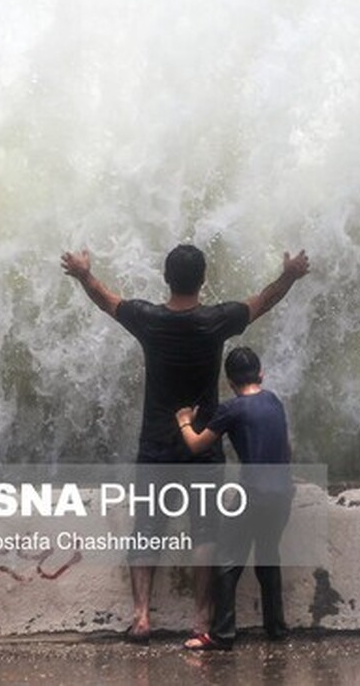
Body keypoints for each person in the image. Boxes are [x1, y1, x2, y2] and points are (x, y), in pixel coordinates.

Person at [60, 244, 309, 645]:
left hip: (157, 443)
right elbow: (264, 301)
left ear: (165, 277)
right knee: (204, 532)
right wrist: (291, 275)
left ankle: (141, 618)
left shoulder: (148, 319)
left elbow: (106, 301)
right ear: (204, 279)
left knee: (147, 528)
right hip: (204, 445)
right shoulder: (215, 321)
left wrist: (84, 273)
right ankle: (201, 620)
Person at [175, 346, 293, 651]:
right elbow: (286, 448)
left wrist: (184, 421)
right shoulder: (274, 401)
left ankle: (221, 633)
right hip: (282, 493)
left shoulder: (232, 409)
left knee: (227, 561)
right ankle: (276, 628)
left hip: (253, 495)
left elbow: (197, 446)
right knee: (268, 557)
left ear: (229, 381)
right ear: (261, 374)